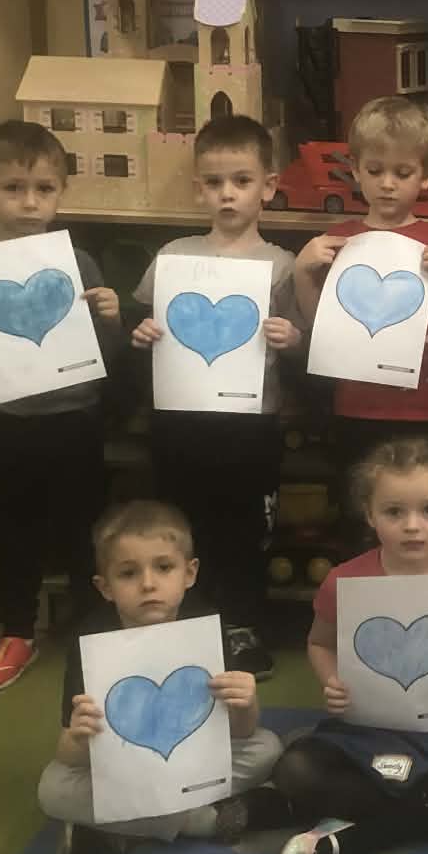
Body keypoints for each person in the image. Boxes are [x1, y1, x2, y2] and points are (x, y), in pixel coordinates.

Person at [0, 121, 124, 693]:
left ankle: (94, 629)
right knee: (9, 533)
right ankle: (17, 630)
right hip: (2, 424)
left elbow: (107, 360)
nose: (30, 202)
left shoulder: (80, 265)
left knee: (84, 531)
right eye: (13, 188)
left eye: (43, 188)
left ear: (61, 192)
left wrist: (111, 321)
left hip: (74, 420)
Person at [270, 438, 428, 854]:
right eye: (394, 512)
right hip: (362, 731)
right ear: (369, 514)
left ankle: (348, 836)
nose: (412, 526)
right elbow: (320, 643)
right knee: (294, 770)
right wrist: (330, 680)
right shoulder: (343, 581)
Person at [129, 115, 303, 681]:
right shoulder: (172, 257)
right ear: (197, 188)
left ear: (268, 186)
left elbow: (305, 342)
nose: (227, 193)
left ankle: (242, 626)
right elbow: (144, 325)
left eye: (241, 180)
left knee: (246, 531)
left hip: (251, 428)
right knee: (181, 528)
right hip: (181, 424)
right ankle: (185, 627)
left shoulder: (281, 265)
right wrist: (141, 333)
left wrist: (291, 338)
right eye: (214, 182)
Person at [37, 501, 293, 854]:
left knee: (266, 748)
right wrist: (78, 738)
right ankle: (205, 821)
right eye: (128, 573)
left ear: (189, 573)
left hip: (192, 766)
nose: (148, 584)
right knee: (54, 788)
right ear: (105, 587)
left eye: (164, 567)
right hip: (124, 772)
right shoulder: (91, 643)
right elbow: (68, 754)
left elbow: (239, 732)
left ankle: (118, 831)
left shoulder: (205, 627)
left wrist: (247, 703)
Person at [294, 95, 428, 492]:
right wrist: (302, 272)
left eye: (402, 173)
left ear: (425, 176)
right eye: (375, 170)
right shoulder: (339, 240)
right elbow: (319, 328)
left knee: (425, 507)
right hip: (355, 408)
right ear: (355, 170)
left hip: (426, 409)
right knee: (360, 511)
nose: (387, 184)